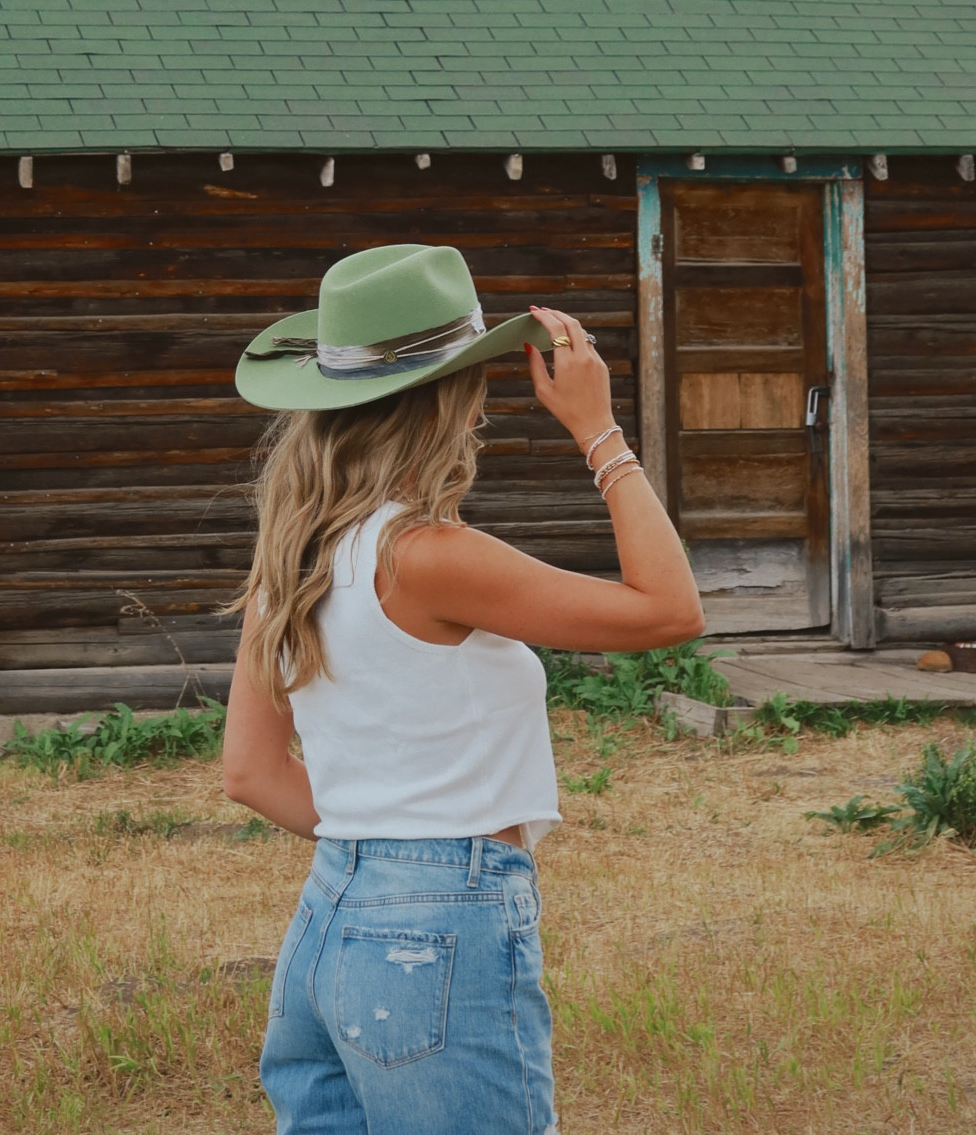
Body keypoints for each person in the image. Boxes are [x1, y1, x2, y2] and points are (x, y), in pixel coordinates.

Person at [223, 242, 704, 1135]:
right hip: (435, 927)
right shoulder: (426, 556)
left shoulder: (292, 557)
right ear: (450, 400)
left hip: (328, 919)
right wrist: (600, 435)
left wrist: (378, 852)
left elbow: (250, 773)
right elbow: (669, 610)